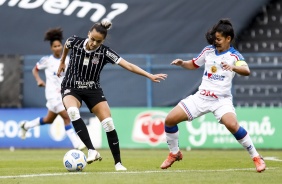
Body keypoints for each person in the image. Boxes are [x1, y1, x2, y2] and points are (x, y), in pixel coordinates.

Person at [56, 19, 167, 171]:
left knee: (108, 123)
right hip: (71, 86)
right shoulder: (74, 41)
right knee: (73, 112)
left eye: (98, 41)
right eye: (92, 39)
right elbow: (67, 46)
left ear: (103, 41)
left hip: (93, 89)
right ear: (88, 34)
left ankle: (118, 163)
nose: (94, 43)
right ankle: (91, 150)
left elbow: (128, 65)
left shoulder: (105, 52)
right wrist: (62, 61)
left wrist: (149, 75)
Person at [160, 19, 266, 173]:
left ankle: (256, 157)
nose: (215, 42)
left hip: (221, 100)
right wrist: (183, 63)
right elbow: (194, 64)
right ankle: (174, 153)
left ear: (228, 38)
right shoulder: (208, 51)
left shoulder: (235, 56)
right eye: (214, 39)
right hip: (201, 97)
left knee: (232, 125)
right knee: (169, 120)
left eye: (219, 39)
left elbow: (246, 70)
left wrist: (233, 68)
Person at [20, 28, 85, 150]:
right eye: (55, 46)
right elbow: (35, 69)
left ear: (62, 46)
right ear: (51, 48)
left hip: (63, 94)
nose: (57, 48)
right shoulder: (47, 60)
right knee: (67, 116)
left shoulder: (67, 60)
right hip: (52, 95)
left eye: (59, 45)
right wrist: (39, 80)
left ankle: (26, 126)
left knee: (48, 120)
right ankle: (77, 143)